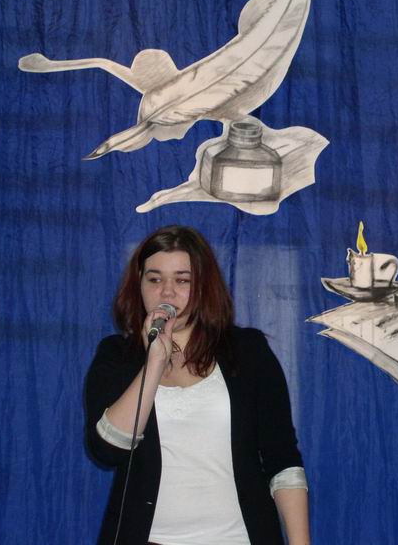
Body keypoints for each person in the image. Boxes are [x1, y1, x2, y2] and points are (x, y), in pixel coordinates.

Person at [84, 225, 310, 544]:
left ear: (204, 285)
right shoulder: (117, 356)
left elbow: (282, 460)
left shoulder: (247, 351)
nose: (167, 292)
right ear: (139, 285)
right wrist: (154, 363)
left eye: (182, 280)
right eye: (154, 279)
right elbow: (106, 450)